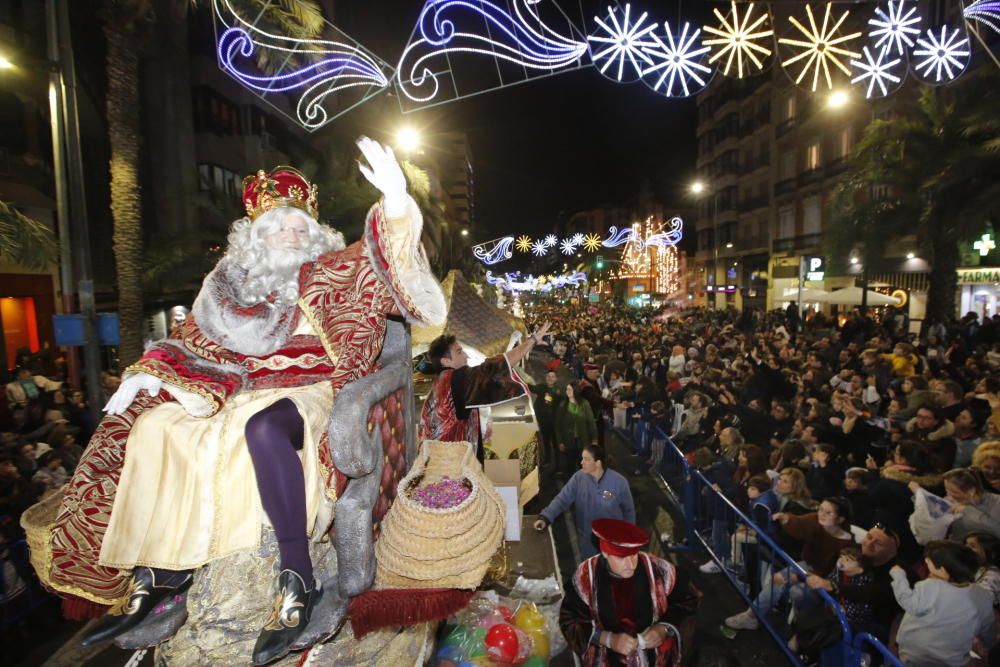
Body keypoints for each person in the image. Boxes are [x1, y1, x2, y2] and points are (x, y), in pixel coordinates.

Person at [28, 138, 448, 664]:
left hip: (312, 390)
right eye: (278, 228)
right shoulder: (227, 284)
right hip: (239, 389)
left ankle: (295, 575)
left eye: (300, 228)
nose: (290, 236)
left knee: (265, 430)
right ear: (255, 237)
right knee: (157, 427)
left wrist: (394, 204)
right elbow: (189, 341)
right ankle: (163, 573)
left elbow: (385, 261)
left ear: (316, 235)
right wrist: (149, 376)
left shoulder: (336, 274)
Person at [558, 518, 689, 666]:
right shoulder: (586, 577)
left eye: (634, 556)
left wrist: (664, 628)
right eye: (622, 558)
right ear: (605, 553)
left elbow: (688, 599)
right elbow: (569, 620)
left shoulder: (657, 570)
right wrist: (607, 639)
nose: (631, 565)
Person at [419, 323, 551, 462]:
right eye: (459, 352)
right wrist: (532, 341)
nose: (466, 356)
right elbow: (492, 370)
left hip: (438, 463)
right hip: (451, 471)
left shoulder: (439, 384)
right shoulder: (454, 379)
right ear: (446, 361)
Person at [891, 540, 996, 667]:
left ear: (942, 571)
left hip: (912, 656)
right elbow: (988, 628)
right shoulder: (983, 595)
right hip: (952, 661)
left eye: (928, 565)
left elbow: (908, 602)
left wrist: (898, 576)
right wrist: (986, 645)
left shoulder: (930, 586)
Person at [534, 444, 635, 559]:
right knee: (589, 570)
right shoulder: (579, 478)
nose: (582, 462)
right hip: (587, 540)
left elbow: (629, 511)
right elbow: (562, 499)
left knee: (611, 571)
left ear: (598, 463)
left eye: (587, 459)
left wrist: (627, 538)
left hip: (612, 540)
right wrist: (545, 517)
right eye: (582, 458)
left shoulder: (619, 483)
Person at [553, 383, 597, 478]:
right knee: (570, 466)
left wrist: (594, 439)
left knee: (584, 465)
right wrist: (560, 441)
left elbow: (591, 422)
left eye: (569, 389)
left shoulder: (584, 404)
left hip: (583, 441)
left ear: (575, 391)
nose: (567, 392)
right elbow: (557, 425)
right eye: (566, 389)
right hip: (569, 442)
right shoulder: (563, 405)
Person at [529, 369, 562, 467]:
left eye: (552, 376)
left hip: (554, 422)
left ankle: (558, 464)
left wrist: (552, 397)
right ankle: (548, 460)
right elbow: (532, 388)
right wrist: (522, 381)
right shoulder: (541, 387)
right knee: (546, 441)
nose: (550, 378)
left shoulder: (559, 390)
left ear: (556, 379)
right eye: (548, 376)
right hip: (544, 421)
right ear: (545, 378)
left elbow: (561, 403)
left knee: (556, 443)